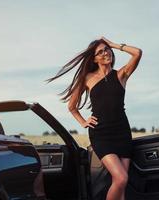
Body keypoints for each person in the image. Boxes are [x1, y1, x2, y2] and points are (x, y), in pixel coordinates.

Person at [45, 36, 142, 200]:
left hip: (122, 132)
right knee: (121, 178)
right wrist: (83, 122)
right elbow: (72, 106)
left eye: (107, 49)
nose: (106, 53)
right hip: (101, 134)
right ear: (95, 59)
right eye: (100, 52)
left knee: (122, 186)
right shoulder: (88, 78)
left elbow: (137, 53)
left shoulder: (121, 75)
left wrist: (114, 44)